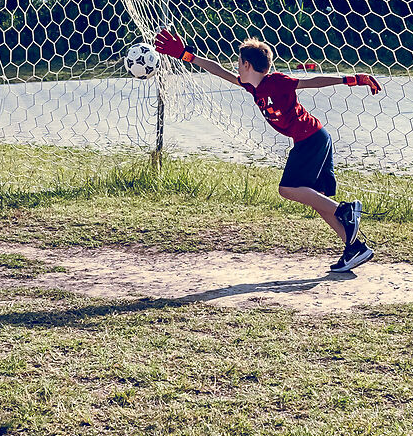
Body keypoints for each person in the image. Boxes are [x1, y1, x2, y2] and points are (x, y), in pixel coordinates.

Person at [153, 28, 381, 272]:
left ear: (248, 64)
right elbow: (220, 72)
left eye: (238, 62)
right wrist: (186, 56)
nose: (236, 67)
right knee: (314, 198)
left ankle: (345, 211)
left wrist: (350, 79)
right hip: (309, 139)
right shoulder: (253, 86)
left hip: (311, 139)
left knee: (287, 189)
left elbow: (312, 82)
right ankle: (354, 247)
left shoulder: (276, 82)